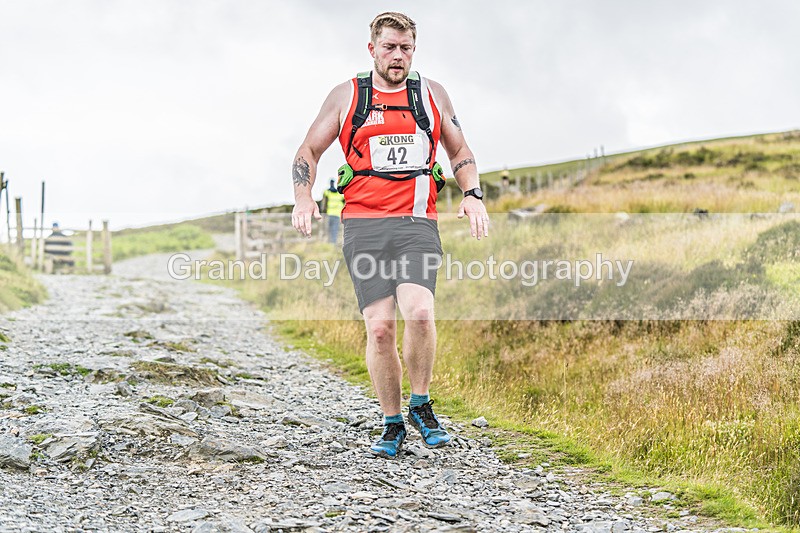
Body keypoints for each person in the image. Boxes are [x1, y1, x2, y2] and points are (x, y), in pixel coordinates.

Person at [291, 12, 489, 459]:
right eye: (389, 48)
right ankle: (392, 420)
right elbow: (308, 150)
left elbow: (461, 151)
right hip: (362, 226)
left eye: (406, 48)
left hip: (416, 223)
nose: (397, 56)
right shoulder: (348, 96)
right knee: (380, 329)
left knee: (419, 313)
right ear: (372, 49)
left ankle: (421, 405)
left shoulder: (430, 95)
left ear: (413, 50)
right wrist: (304, 197)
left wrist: (472, 194)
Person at [322, 179, 345, 244]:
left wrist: (323, 214)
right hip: (336, 215)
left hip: (329, 215)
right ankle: (332, 245)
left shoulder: (327, 192)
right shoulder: (339, 194)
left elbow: (323, 205)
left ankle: (329, 245)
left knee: (327, 231)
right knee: (334, 231)